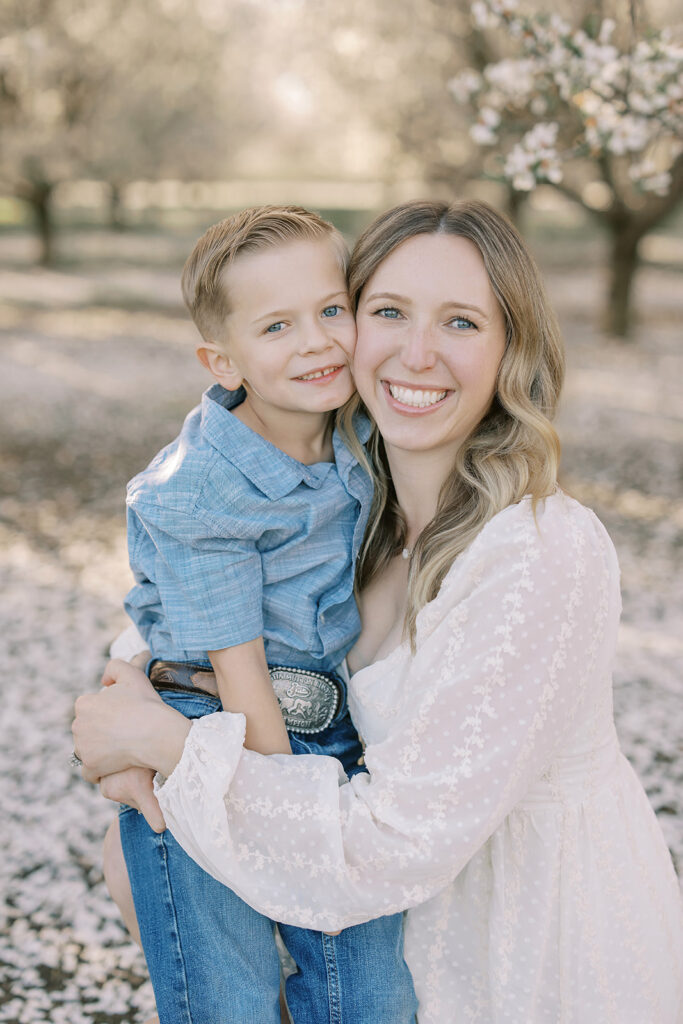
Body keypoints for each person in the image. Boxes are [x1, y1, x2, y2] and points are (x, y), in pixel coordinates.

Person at [74, 199, 683, 1023]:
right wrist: (126, 704)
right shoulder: (356, 503)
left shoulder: (540, 554)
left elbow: (392, 843)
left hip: (522, 961)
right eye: (387, 311)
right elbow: (192, 591)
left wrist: (168, 746)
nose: (416, 352)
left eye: (462, 321)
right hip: (358, 938)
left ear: (513, 349)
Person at [98, 204, 418, 1024]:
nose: (315, 341)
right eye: (277, 326)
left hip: (327, 730)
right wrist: (292, 827)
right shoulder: (202, 492)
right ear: (224, 360)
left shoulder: (356, 432)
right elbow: (240, 675)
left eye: (330, 310)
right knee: (228, 997)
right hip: (217, 733)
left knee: (371, 996)